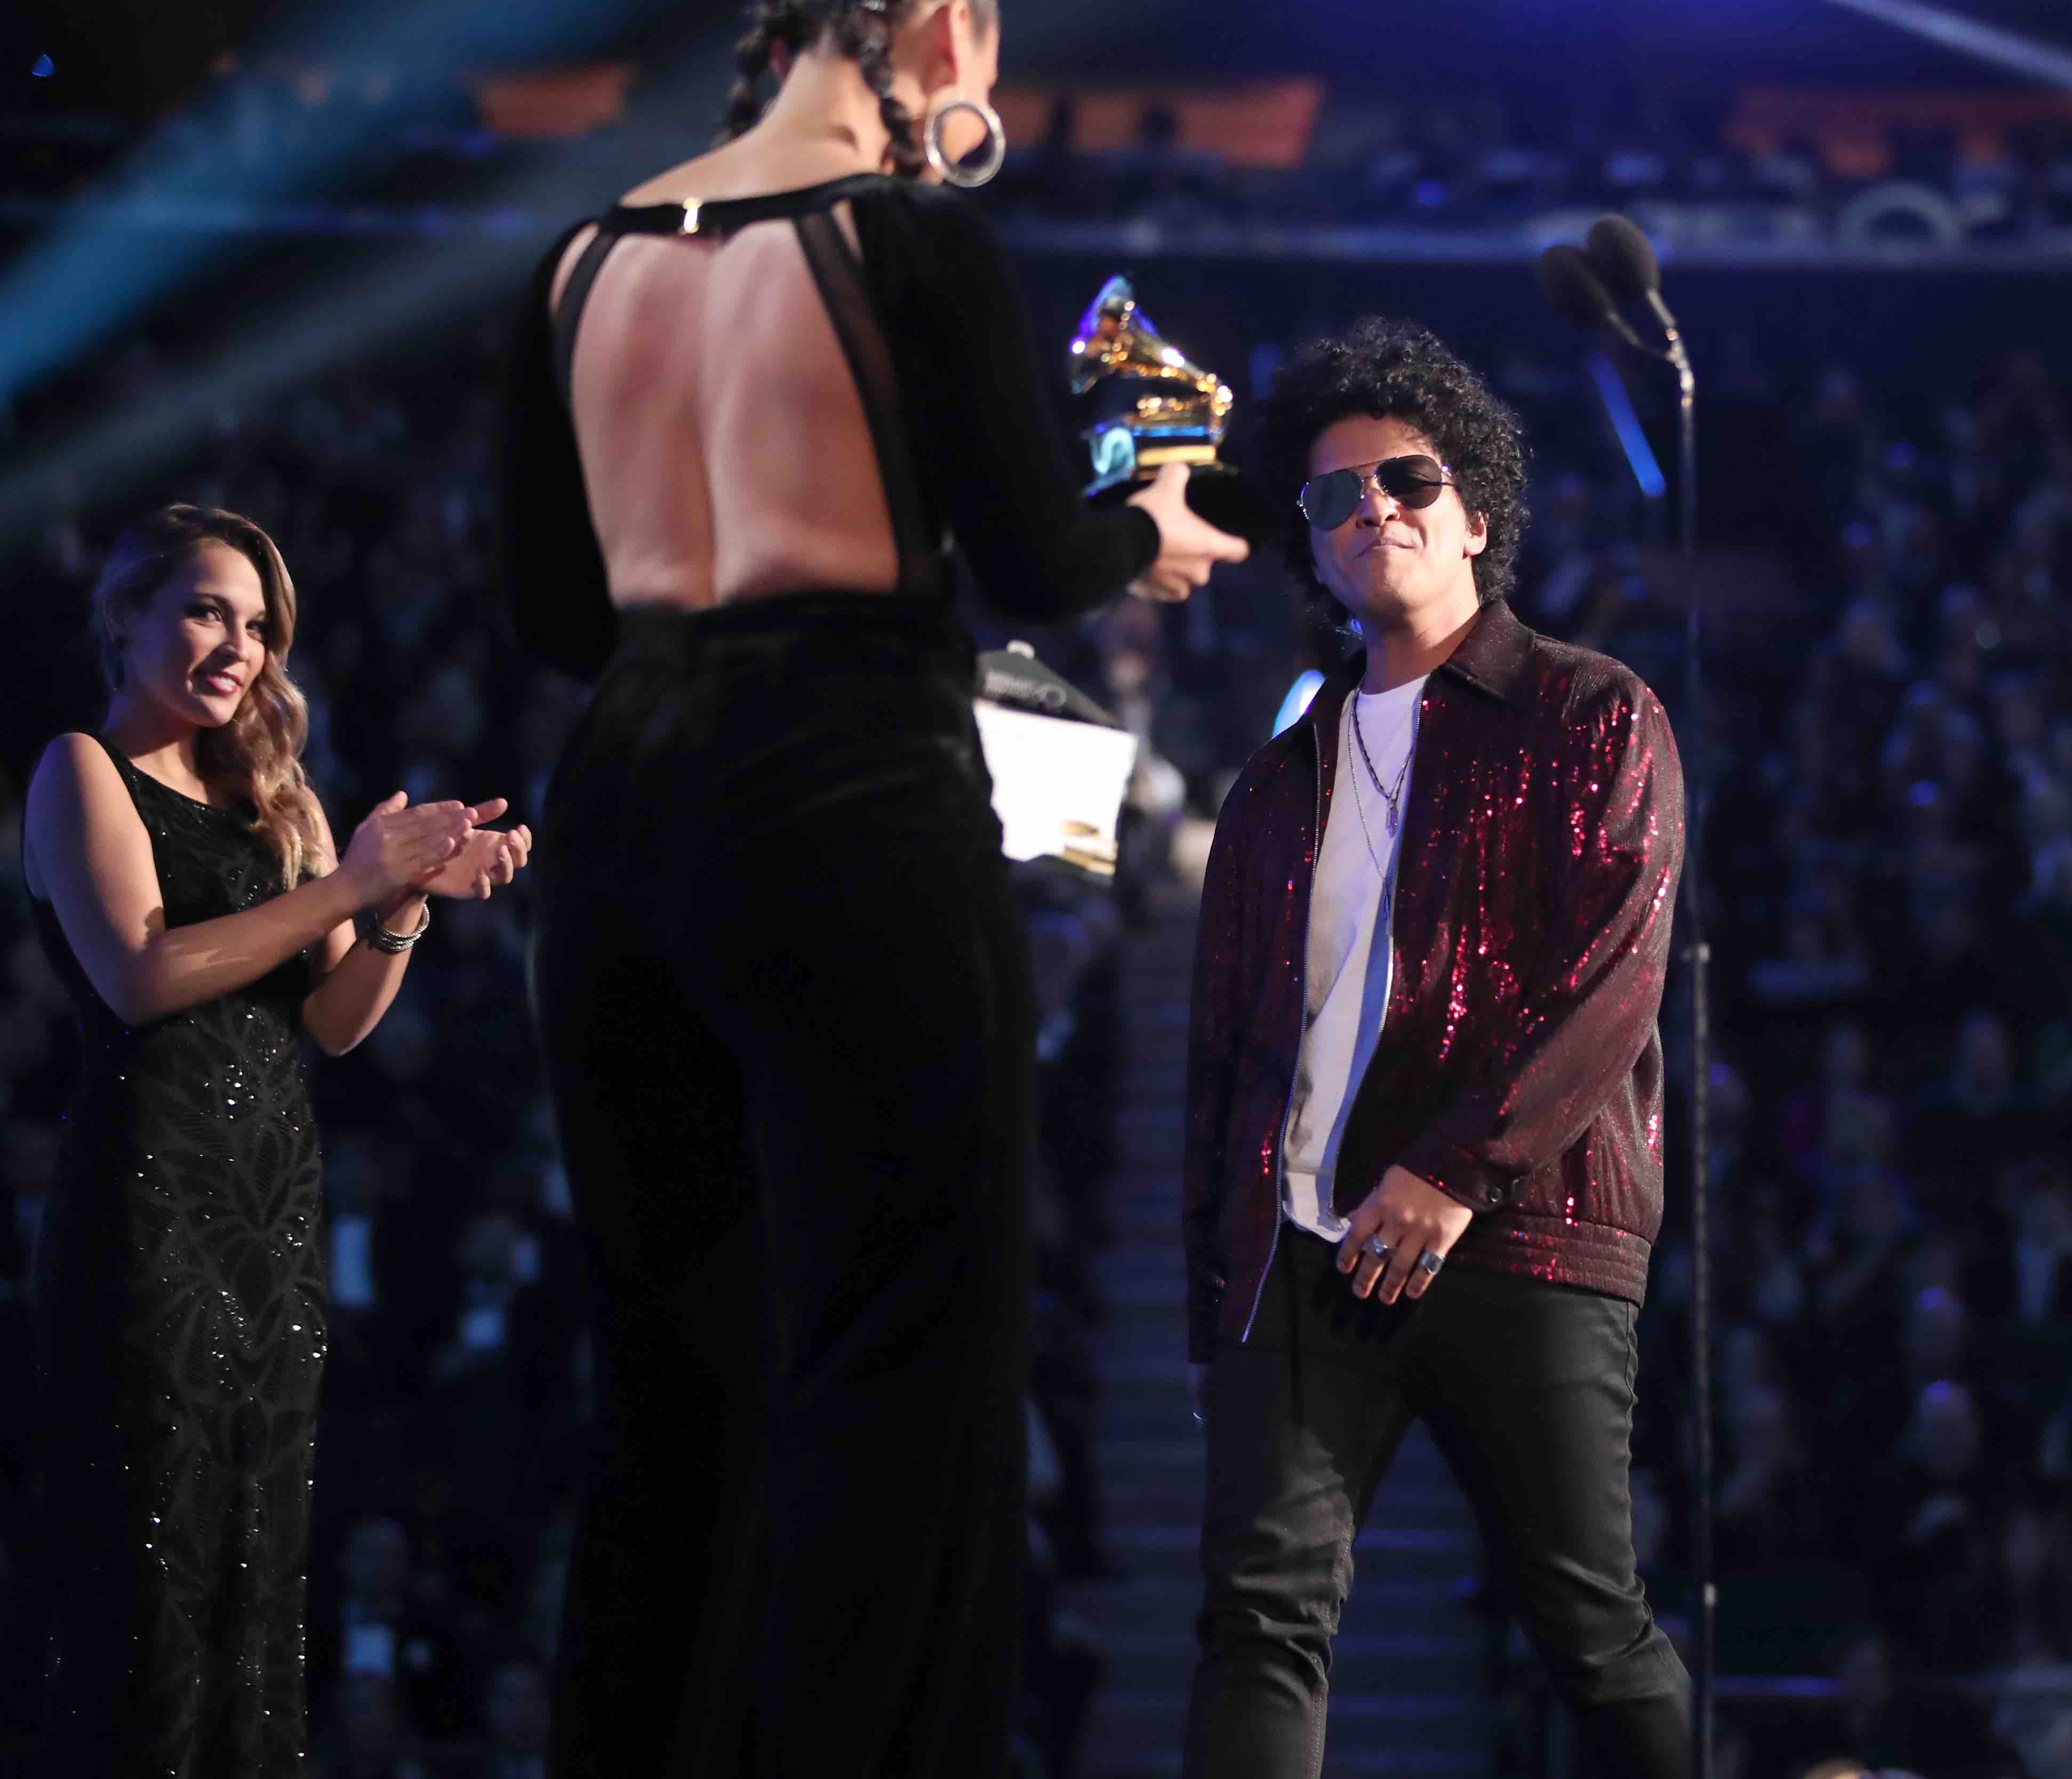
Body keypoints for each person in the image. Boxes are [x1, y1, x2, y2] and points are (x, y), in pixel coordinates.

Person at [494, 1, 1247, 1773]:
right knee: (900, 1367)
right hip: (843, 787)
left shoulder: (581, 260)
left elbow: (558, 614)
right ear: (933, 24)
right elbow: (1035, 558)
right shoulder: (900, 236)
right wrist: (1152, 527)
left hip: (622, 808)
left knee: (668, 1380)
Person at [1181, 318, 1687, 1773]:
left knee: (1586, 1624)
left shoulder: (1590, 712)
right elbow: (1225, 1061)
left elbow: (1613, 973)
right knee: (1258, 1619)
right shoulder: (1276, 786)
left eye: (1407, 479)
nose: (1374, 511)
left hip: (1523, 1233)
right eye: (1333, 496)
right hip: (1302, 1248)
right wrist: (1216, 1291)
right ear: (1310, 545)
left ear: (1475, 515)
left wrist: (1458, 1167)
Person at [19, 504, 526, 1773]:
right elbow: (143, 975)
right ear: (125, 616)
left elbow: (339, 1023)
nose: (237, 646)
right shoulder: (80, 770)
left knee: (251, 1589)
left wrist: (400, 903)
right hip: (145, 1224)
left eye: (256, 626)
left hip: (271, 1230)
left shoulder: (272, 797)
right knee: (146, 1588)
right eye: (206, 610)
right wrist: (351, 881)